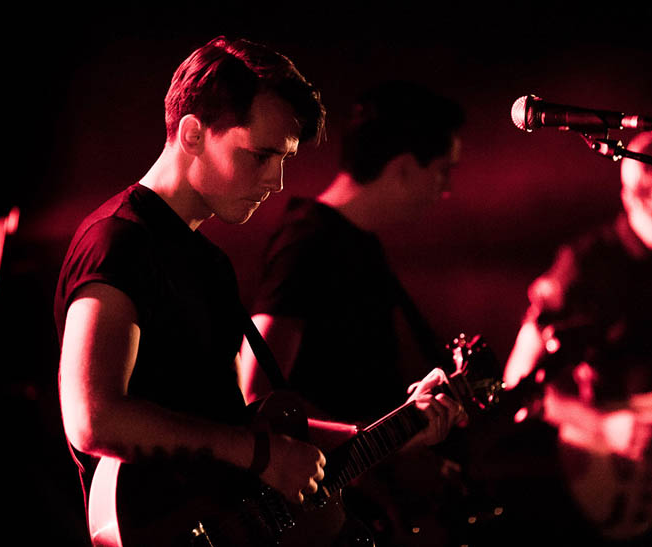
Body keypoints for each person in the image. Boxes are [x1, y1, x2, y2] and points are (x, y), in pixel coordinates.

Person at [54, 37, 463, 546]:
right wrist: (261, 456)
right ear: (192, 133)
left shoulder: (209, 263)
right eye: (260, 155)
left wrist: (392, 433)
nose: (276, 179)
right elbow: (93, 417)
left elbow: (237, 426)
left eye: (285, 159)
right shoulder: (118, 241)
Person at [238, 81, 468, 545]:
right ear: (403, 169)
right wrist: (371, 439)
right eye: (444, 171)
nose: (445, 190)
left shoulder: (360, 245)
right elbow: (255, 394)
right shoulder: (307, 243)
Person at [498, 128, 652, 546]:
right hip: (615, 477)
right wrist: (605, 428)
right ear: (634, 195)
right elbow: (518, 378)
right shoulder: (586, 264)